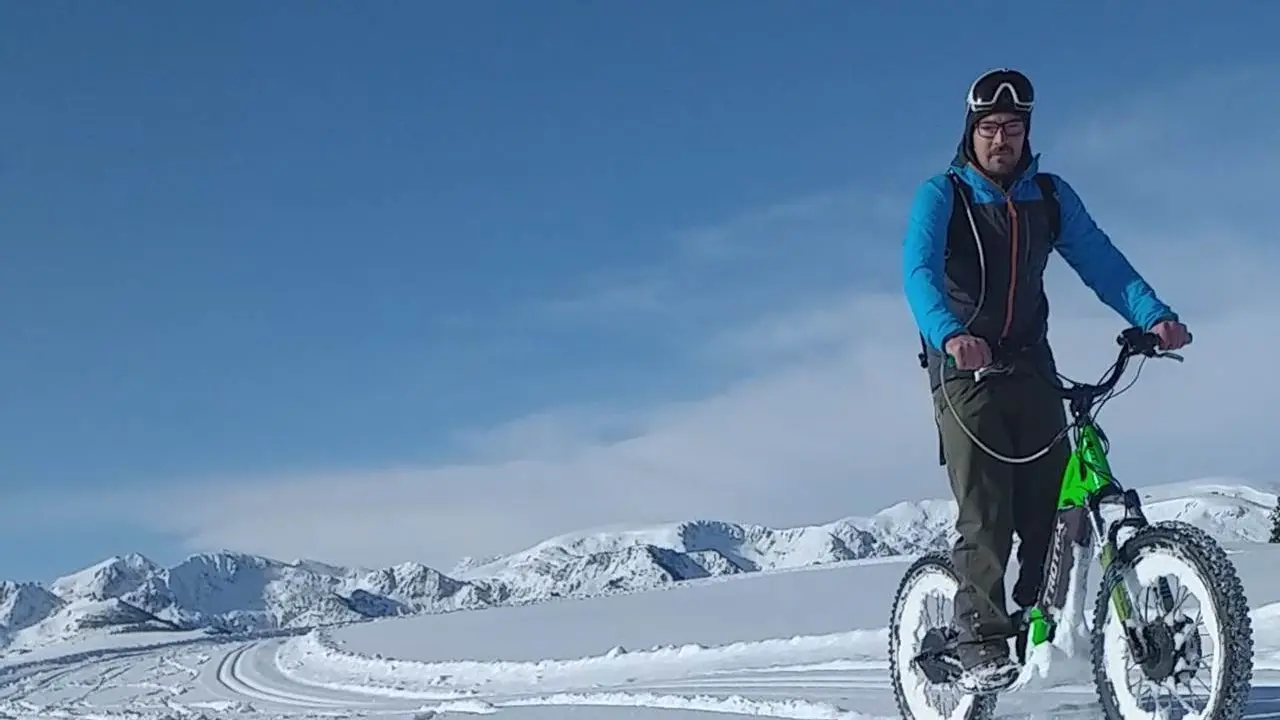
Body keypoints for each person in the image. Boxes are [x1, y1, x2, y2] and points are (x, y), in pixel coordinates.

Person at [900, 68, 1192, 693]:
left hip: (1031, 361)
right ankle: (977, 637)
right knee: (987, 508)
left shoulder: (1050, 197)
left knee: (1049, 502)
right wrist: (951, 335)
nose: (999, 138)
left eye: (1011, 127)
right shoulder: (943, 195)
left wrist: (1155, 316)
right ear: (970, 134)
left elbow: (1102, 262)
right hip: (963, 368)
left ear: (1027, 132)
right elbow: (918, 273)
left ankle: (1040, 622)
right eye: (988, 128)